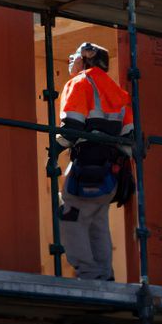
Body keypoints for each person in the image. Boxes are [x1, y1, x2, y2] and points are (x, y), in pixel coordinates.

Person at [55, 41, 135, 282]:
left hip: (86, 167)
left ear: (86, 59)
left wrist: (54, 150)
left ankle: (90, 274)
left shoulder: (80, 83)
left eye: (75, 56)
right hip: (110, 173)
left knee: (69, 215)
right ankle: (104, 274)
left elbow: (71, 128)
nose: (71, 60)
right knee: (97, 222)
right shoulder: (118, 92)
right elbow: (128, 139)